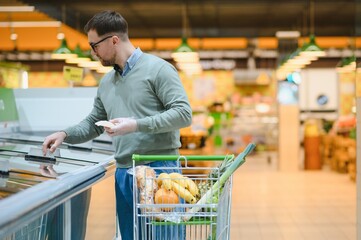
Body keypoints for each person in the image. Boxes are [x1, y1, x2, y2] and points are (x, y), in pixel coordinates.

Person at [42, 10, 192, 240]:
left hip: (160, 171)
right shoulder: (107, 83)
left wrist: (135, 125)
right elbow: (94, 123)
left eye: (95, 46)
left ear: (114, 40)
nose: (93, 53)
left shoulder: (159, 69)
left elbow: (183, 114)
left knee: (166, 236)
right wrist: (65, 134)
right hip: (124, 172)